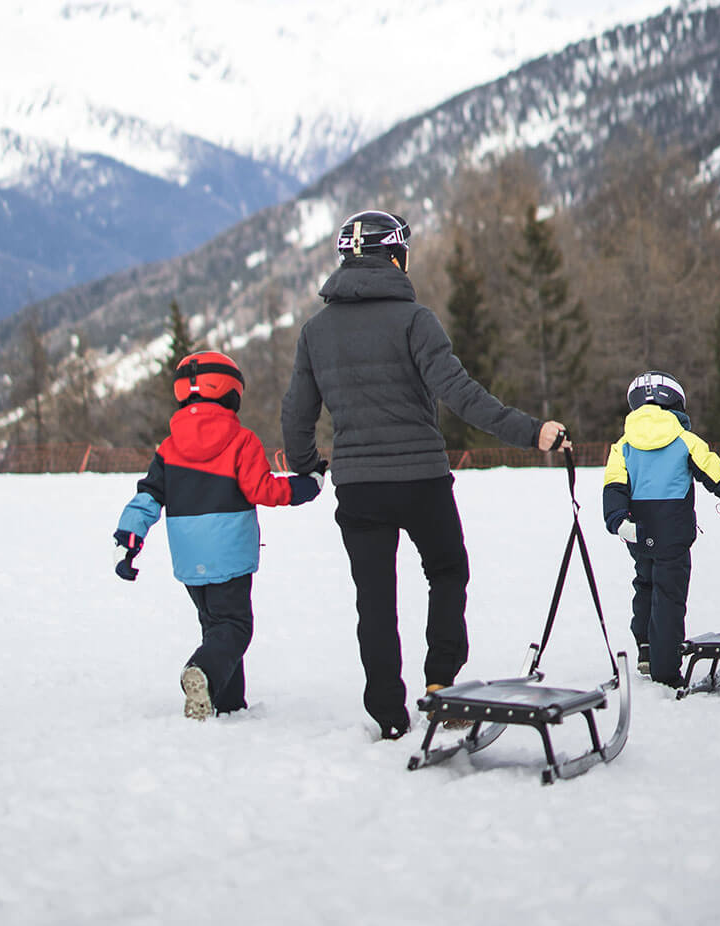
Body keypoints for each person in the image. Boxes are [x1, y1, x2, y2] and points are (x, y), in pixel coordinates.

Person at [282, 209, 567, 740]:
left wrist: (307, 469)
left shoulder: (315, 332)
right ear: (394, 256)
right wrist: (531, 433)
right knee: (446, 571)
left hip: (359, 487)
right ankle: (441, 688)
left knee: (375, 599)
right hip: (421, 481)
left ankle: (389, 715)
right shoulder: (416, 321)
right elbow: (462, 397)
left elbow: (296, 416)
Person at [113, 350, 321, 719]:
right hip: (230, 551)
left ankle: (227, 703)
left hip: (189, 554)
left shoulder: (169, 447)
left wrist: (128, 540)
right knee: (235, 626)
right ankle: (203, 673)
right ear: (231, 392)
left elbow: (148, 495)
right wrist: (308, 486)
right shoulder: (241, 440)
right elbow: (262, 490)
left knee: (216, 624)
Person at [601, 371, 720, 686]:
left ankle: (646, 649)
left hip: (639, 531)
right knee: (669, 596)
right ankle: (666, 668)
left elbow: (613, 486)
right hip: (674, 533)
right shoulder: (686, 441)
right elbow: (718, 477)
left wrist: (618, 521)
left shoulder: (622, 445)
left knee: (644, 584)